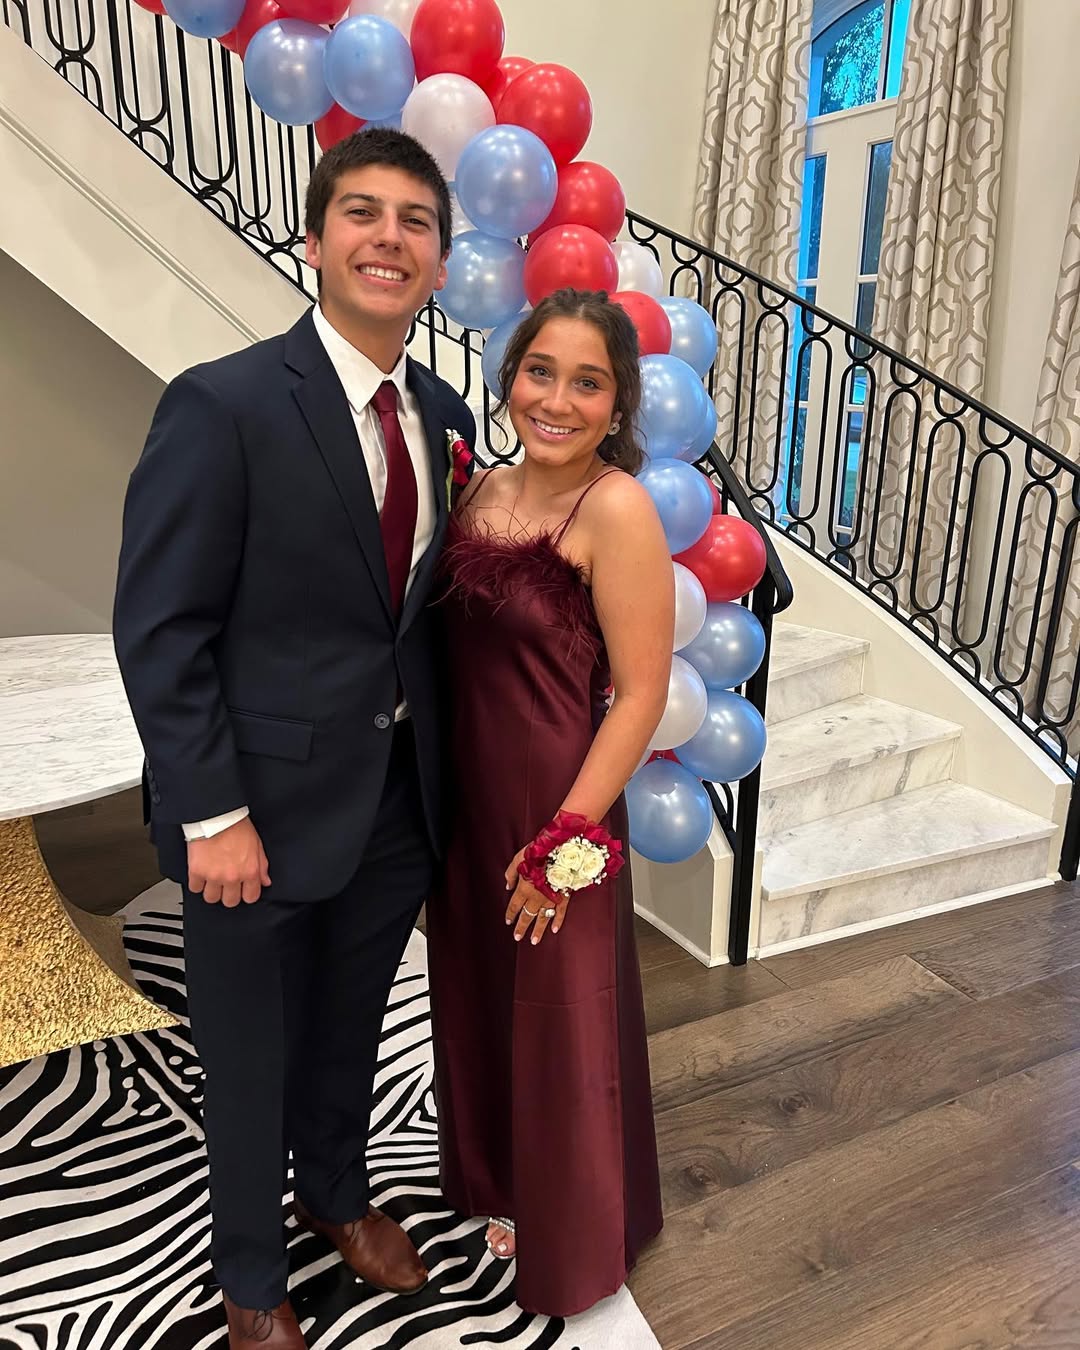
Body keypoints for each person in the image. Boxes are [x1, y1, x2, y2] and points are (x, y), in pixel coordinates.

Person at [112, 128, 474, 1350]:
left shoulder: (442, 414)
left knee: (352, 1023)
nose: (389, 238)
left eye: (415, 221)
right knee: (249, 1051)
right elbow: (161, 628)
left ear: (439, 264)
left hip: (393, 796)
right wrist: (210, 812)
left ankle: (335, 1193)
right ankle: (251, 1278)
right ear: (314, 241)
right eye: (362, 213)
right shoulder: (221, 404)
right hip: (251, 812)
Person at [427, 288, 673, 1317]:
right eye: (541, 371)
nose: (558, 401)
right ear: (511, 375)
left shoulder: (616, 508)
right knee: (481, 996)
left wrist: (563, 841)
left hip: (558, 805)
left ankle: (576, 1233)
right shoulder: (479, 487)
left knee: (562, 1019)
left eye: (588, 382)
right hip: (469, 797)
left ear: (617, 406)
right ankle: (503, 1185)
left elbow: (643, 695)